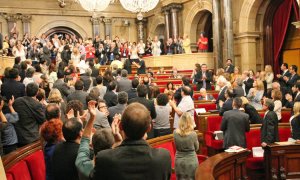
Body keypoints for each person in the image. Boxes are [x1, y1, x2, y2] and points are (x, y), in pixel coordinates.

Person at [91, 103, 172, 179]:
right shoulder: (163, 157)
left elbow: (92, 176)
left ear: (120, 127)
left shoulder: (103, 158)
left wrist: (116, 144)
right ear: (149, 128)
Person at [174, 112, 199, 179]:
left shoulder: (175, 133)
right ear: (190, 122)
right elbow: (197, 148)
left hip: (179, 161)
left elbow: (176, 146)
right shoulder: (193, 134)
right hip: (191, 161)